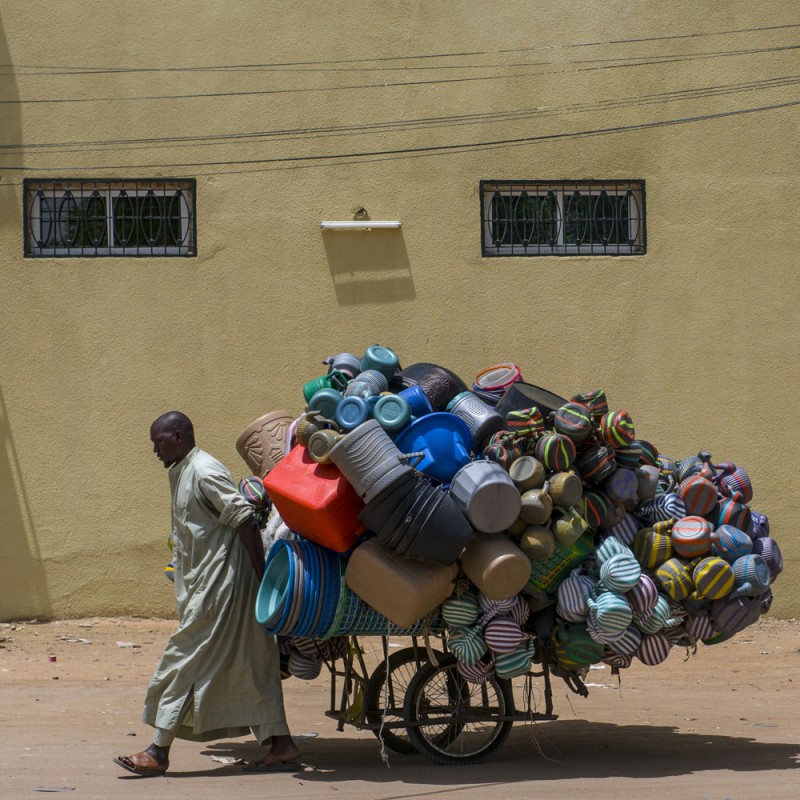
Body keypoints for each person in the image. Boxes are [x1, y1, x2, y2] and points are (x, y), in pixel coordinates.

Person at [113, 411, 300, 776]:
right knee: (251, 664)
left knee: (181, 661)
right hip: (207, 585)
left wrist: (262, 578)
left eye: (159, 440)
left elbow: (243, 517)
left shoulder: (203, 470)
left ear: (179, 436)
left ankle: (158, 750)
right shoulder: (182, 470)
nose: (154, 449)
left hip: (222, 588)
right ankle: (282, 745)